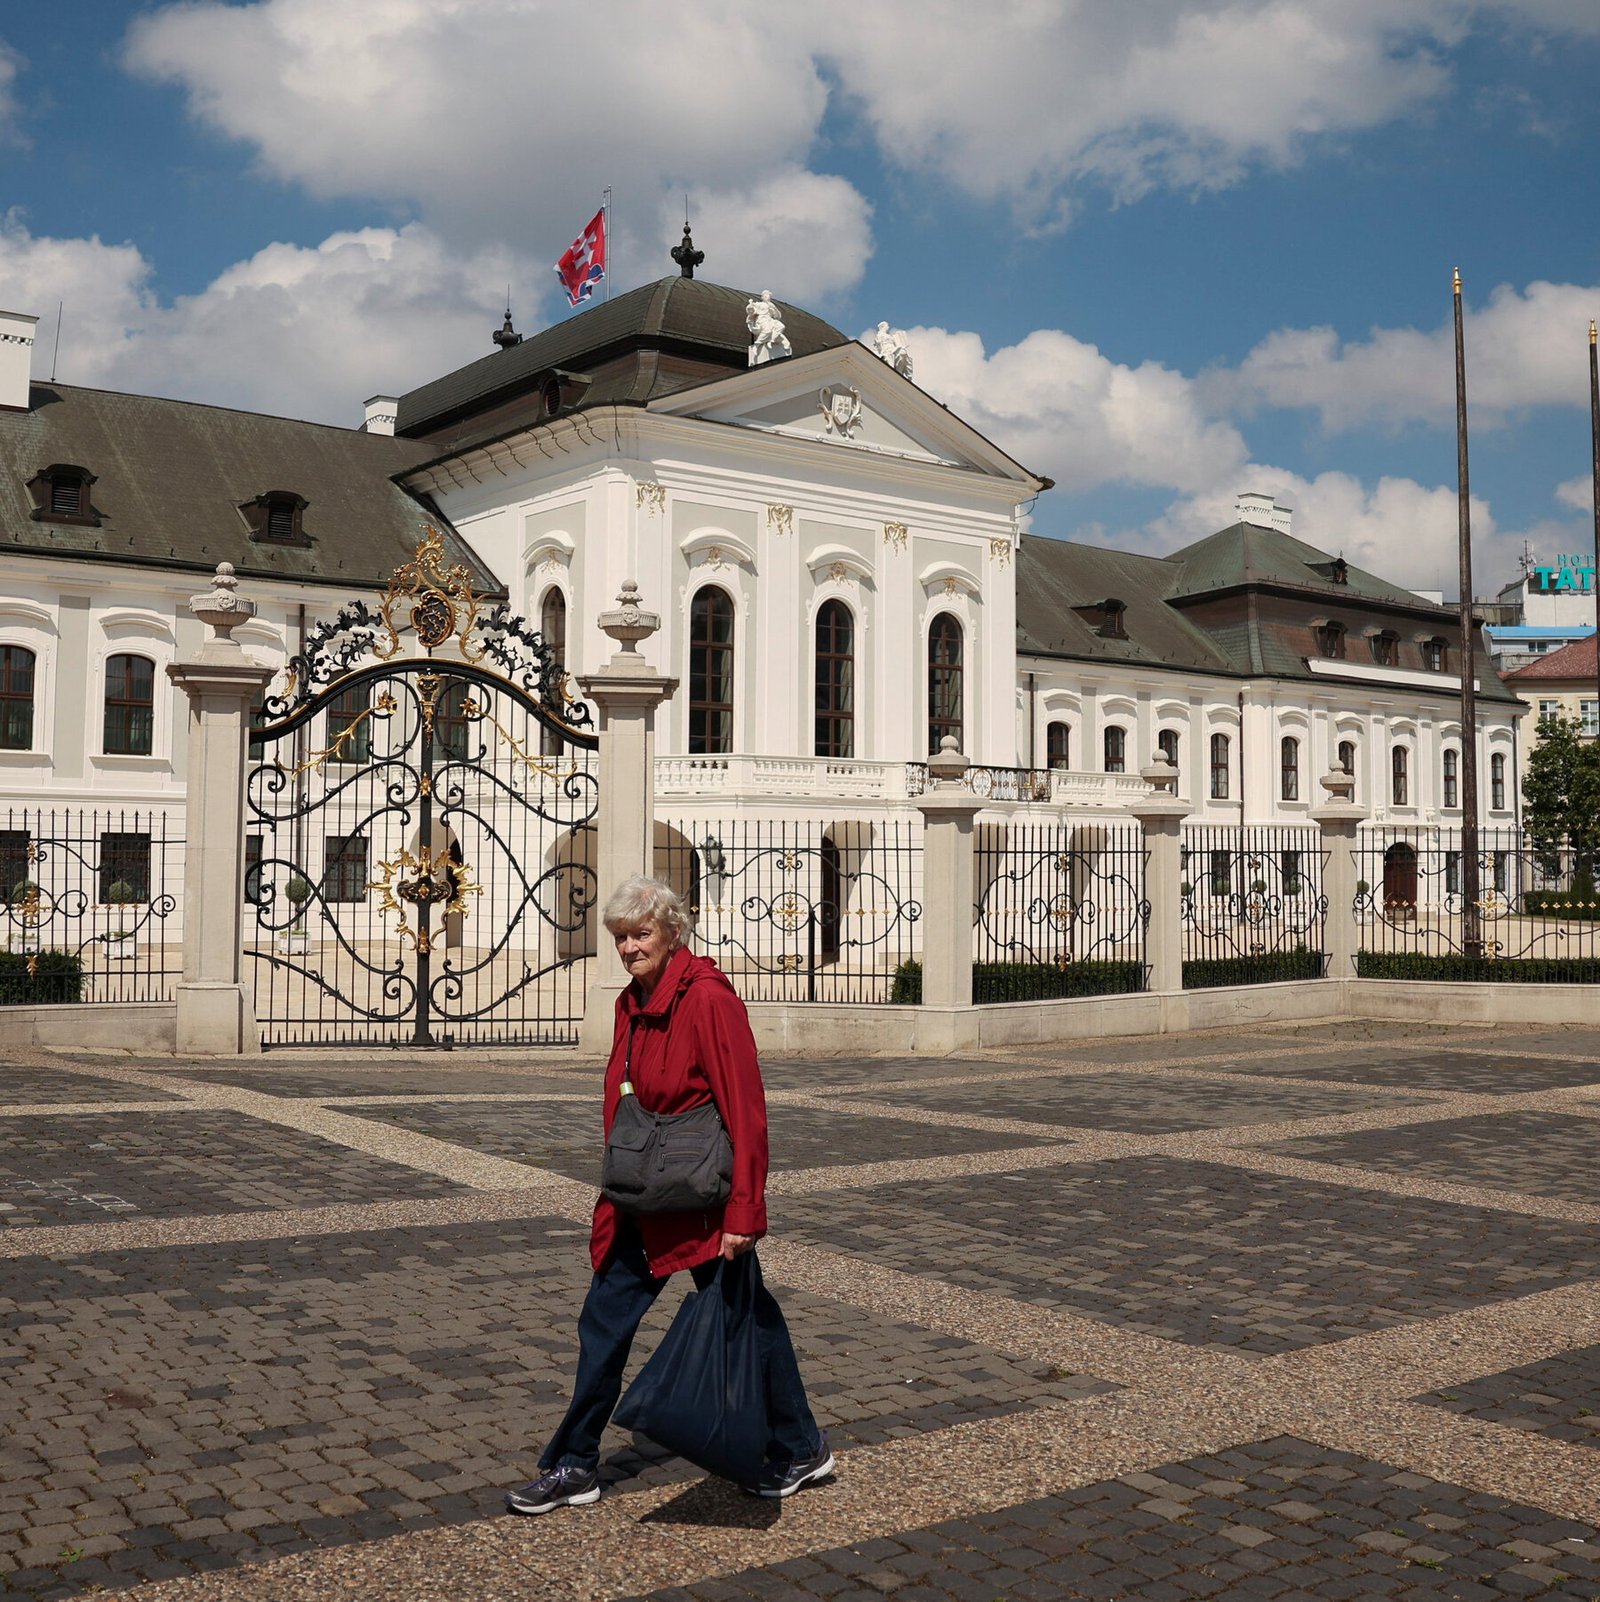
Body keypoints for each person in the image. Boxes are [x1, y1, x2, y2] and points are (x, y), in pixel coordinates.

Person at [506, 874, 832, 1514]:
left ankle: (800, 1447)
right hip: (640, 1198)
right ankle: (575, 1463)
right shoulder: (631, 1002)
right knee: (603, 1324)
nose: (629, 948)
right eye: (621, 937)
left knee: (747, 1321)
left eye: (641, 934)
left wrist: (745, 1211)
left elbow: (746, 1109)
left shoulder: (708, 999)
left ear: (673, 931)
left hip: (701, 1205)